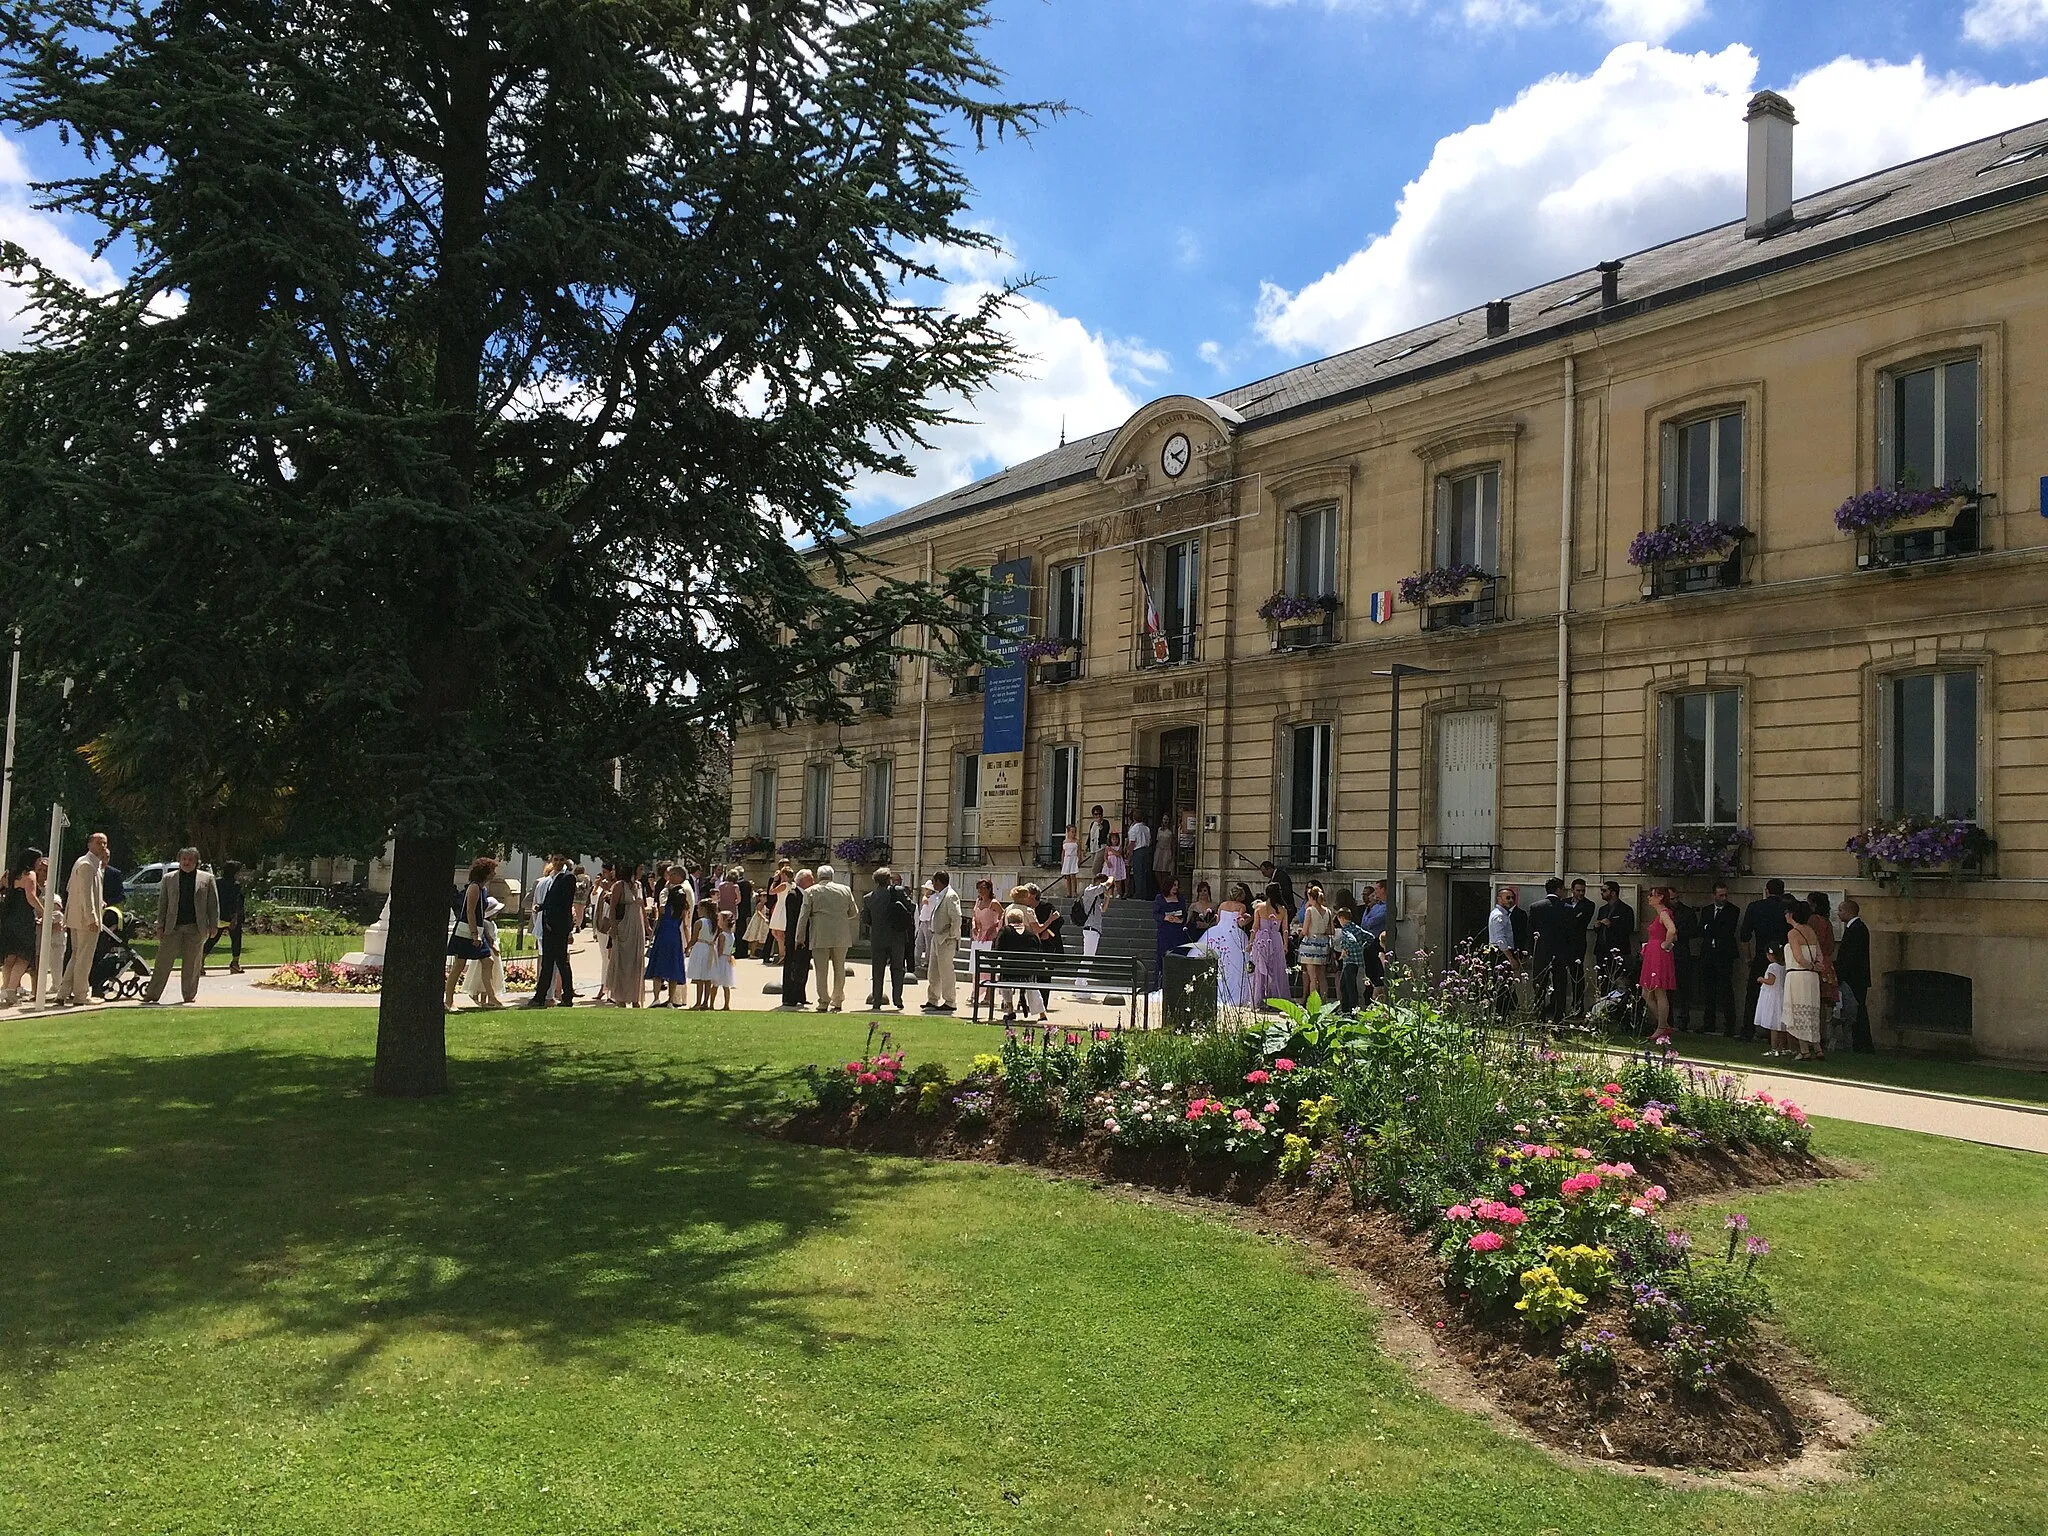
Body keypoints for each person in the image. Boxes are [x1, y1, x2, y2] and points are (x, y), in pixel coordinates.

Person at [145, 846, 222, 1007]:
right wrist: (160, 926)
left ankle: (189, 994)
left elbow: (213, 904)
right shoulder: (169, 878)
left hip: (196, 927)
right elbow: (163, 904)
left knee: (192, 963)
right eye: (184, 859)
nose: (186, 862)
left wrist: (214, 924)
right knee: (163, 962)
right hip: (173, 927)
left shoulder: (207, 879)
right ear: (179, 861)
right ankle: (152, 994)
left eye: (190, 860)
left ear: (196, 862)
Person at [795, 862, 858, 1012]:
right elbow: (854, 912)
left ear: (818, 876)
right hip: (841, 934)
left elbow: (803, 916)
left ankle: (823, 1000)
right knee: (839, 968)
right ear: (832, 876)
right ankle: (837, 999)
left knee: (821, 970)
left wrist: (800, 937)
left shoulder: (810, 891)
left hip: (820, 934)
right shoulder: (845, 890)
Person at [56, 831, 109, 1006]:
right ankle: (81, 994)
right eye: (99, 843)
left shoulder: (88, 863)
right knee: (84, 957)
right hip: (85, 919)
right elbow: (85, 895)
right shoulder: (86, 864)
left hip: (78, 917)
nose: (103, 846)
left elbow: (76, 889)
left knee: (77, 955)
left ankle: (63, 993)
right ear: (89, 844)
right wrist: (91, 917)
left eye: (105, 843)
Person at [444, 856, 502, 1011]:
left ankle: (491, 998)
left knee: (488, 961)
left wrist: (489, 940)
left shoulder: (483, 889)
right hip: (467, 931)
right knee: (459, 965)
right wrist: (474, 934)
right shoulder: (474, 887)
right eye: (492, 871)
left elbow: (480, 915)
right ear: (485, 872)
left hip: (478, 930)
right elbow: (469, 911)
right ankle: (449, 1001)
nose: (494, 874)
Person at [1739, 879, 1791, 1042]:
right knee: (1782, 995)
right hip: (1783, 956)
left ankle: (1748, 1030)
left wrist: (1748, 957)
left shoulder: (1755, 907)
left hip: (1762, 954)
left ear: (1767, 891)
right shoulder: (1786, 909)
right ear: (1782, 892)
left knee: (1753, 993)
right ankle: (1777, 1033)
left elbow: (1745, 935)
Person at [524, 854, 579, 1008]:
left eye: (562, 860)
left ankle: (566, 996)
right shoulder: (551, 878)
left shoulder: (567, 878)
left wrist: (547, 912)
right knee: (548, 962)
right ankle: (541, 996)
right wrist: (541, 907)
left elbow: (563, 903)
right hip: (548, 923)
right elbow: (549, 901)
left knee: (561, 962)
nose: (558, 863)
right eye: (555, 860)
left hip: (559, 925)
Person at [862, 867, 914, 1010]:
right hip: (897, 936)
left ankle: (876, 1000)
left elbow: (865, 919)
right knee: (897, 969)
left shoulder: (868, 898)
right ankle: (897, 999)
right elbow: (911, 908)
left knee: (877, 970)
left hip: (877, 938)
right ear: (888, 879)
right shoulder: (898, 892)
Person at [1198, 882, 1255, 1009]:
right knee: (1235, 965)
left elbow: (1218, 921)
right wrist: (1251, 919)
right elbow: (1240, 923)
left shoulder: (1223, 904)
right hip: (1233, 934)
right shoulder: (1242, 906)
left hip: (1218, 932)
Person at [1781, 899, 1825, 1061]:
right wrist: (1817, 966)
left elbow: (1798, 957)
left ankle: (1805, 1050)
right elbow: (1819, 953)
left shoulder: (1793, 933)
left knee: (1798, 1010)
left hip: (1798, 975)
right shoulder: (1811, 931)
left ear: (1792, 914)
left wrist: (1811, 966)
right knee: (1811, 1010)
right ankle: (1818, 1048)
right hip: (1811, 977)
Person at [0, 846, 43, 1005]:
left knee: (10, 956)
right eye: (38, 860)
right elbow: (31, 897)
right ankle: (11, 990)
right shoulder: (29, 874)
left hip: (8, 917)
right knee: (24, 956)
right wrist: (44, 911)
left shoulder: (9, 873)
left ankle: (5, 987)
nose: (39, 863)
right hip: (23, 918)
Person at [1639, 886, 1679, 1053]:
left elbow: (1672, 931)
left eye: (1652, 895)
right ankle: (1663, 1024)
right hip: (1654, 953)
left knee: (1658, 991)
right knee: (1647, 992)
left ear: (1660, 897)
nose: (1649, 897)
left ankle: (1662, 1025)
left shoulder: (1663, 913)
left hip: (1659, 954)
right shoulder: (1662, 914)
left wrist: (1664, 945)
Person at [1528, 877, 1573, 1026]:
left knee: (1539, 986)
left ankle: (1539, 1020)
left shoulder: (1536, 907)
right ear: (1559, 890)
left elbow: (1531, 930)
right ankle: (1558, 1019)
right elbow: (1570, 933)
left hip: (1542, 951)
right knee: (1560, 987)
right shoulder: (1567, 908)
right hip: (1561, 952)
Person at [1699, 883, 1742, 1035]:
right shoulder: (1707, 910)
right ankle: (1708, 1023)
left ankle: (1730, 1025)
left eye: (1725, 895)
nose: (1723, 898)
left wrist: (1709, 927)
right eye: (1720, 895)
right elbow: (1701, 929)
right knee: (1708, 990)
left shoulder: (1733, 910)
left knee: (1726, 990)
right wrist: (1710, 928)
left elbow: (1726, 931)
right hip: (1708, 953)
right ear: (1714, 895)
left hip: (1724, 955)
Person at [603, 862, 647, 1008]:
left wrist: (647, 926)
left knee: (636, 961)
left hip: (637, 926)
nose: (643, 871)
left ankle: (635, 997)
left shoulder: (639, 885)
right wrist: (614, 927)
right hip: (624, 925)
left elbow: (643, 906)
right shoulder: (619, 886)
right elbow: (613, 907)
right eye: (640, 868)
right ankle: (620, 997)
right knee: (622, 961)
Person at [993, 901, 1043, 1023]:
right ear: (1022, 919)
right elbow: (1038, 952)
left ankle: (1010, 1009)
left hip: (1008, 973)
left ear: (1008, 920)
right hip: (1027, 975)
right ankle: (1041, 1013)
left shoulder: (1004, 931)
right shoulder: (1031, 934)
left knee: (1003, 980)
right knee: (1032, 984)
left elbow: (997, 950)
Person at [1835, 899, 1873, 1053]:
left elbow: (1851, 957)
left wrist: (1840, 975)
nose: (1838, 913)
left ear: (1849, 911)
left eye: (1841, 910)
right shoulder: (1856, 928)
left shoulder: (1857, 929)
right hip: (1856, 977)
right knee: (1857, 1010)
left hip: (1855, 978)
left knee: (1857, 1010)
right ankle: (1860, 1043)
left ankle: (1862, 1043)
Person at [646, 876, 691, 1006]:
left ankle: (656, 998)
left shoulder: (665, 908)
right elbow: (685, 926)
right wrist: (688, 944)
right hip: (675, 938)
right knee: (673, 969)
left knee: (658, 968)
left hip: (663, 936)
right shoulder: (682, 909)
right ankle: (670, 1000)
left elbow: (658, 918)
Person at [923, 870, 962, 1013]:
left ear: (939, 881)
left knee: (946, 971)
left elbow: (956, 918)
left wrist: (951, 935)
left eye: (933, 881)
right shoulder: (939, 895)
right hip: (936, 937)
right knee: (933, 971)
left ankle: (950, 1001)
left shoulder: (950, 896)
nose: (932, 884)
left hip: (946, 939)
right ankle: (933, 999)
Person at [199, 860, 247, 975]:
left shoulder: (217, 882)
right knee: (236, 939)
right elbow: (236, 902)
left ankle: (200, 963)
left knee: (212, 939)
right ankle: (235, 963)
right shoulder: (236, 885)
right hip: (231, 916)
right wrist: (235, 917)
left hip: (218, 915)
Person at [1250, 881, 1290, 1009]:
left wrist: (1250, 942)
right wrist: (1285, 944)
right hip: (1276, 939)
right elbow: (1285, 929)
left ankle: (1260, 1000)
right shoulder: (1283, 910)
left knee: (1261, 970)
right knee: (1276, 970)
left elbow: (1255, 927)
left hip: (1261, 939)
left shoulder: (1259, 907)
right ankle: (1276, 1000)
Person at [778, 869, 813, 1009]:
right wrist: (797, 938)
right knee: (792, 967)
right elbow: (793, 921)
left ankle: (800, 995)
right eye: (810, 879)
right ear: (803, 880)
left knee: (803, 967)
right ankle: (789, 997)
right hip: (795, 938)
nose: (813, 882)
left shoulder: (806, 894)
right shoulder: (793, 895)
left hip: (806, 937)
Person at [1593, 881, 1635, 993]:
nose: (1602, 893)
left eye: (1604, 890)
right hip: (1602, 952)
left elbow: (1628, 929)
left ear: (1613, 893)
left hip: (1618, 953)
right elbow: (1598, 931)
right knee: (1602, 984)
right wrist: (1597, 926)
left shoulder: (1625, 910)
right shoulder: (1603, 909)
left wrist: (1612, 924)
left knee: (1619, 982)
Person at [1487, 886, 1523, 1018]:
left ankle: (1505, 1013)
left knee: (1506, 985)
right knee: (1502, 986)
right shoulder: (1498, 915)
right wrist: (1511, 958)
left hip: (1503, 953)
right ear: (1499, 899)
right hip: (1500, 954)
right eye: (1507, 898)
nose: (1511, 900)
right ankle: (1500, 1015)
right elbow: (1500, 940)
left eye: (1512, 898)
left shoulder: (1503, 914)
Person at [1296, 882, 1335, 1002]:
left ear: (1311, 897)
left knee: (1312, 977)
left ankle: (1313, 1003)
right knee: (1322, 976)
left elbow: (1305, 930)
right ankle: (1324, 1001)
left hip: (1310, 944)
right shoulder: (1328, 911)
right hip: (1323, 944)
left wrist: (1300, 931)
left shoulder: (1310, 910)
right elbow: (1332, 930)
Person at [1562, 879, 1595, 1015]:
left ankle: (1577, 1006)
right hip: (1563, 943)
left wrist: (1570, 918)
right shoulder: (1564, 902)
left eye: (1583, 890)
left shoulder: (1589, 904)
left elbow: (1581, 921)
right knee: (1560, 974)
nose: (1581, 893)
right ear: (1572, 890)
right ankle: (1558, 1004)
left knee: (1577, 975)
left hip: (1578, 943)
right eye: (1578, 890)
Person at [969, 877, 1002, 1010]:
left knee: (989, 966)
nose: (981, 891)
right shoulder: (978, 901)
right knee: (976, 966)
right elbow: (973, 915)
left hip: (990, 936)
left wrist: (994, 927)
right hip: (979, 934)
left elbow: (1002, 915)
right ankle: (976, 992)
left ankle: (989, 995)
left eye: (984, 888)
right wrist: (973, 925)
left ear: (989, 889)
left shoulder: (993, 903)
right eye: (979, 888)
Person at [1330, 900, 1368, 1012]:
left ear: (1342, 918)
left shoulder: (1346, 929)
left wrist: (1346, 950)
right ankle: (1347, 1008)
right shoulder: (1356, 927)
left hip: (1349, 960)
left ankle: (1351, 1009)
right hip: (1355, 960)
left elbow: (1351, 940)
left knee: (1349, 986)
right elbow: (1369, 937)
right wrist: (1361, 948)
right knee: (1344, 985)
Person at [683, 899, 720, 1009]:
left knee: (699, 978)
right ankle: (705, 1002)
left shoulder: (699, 922)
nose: (697, 910)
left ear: (704, 909)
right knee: (707, 978)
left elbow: (694, 939)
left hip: (700, 948)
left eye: (699, 908)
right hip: (711, 948)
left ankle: (698, 1002)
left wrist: (687, 947)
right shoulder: (716, 923)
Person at [1149, 873, 1182, 984]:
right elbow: (1155, 914)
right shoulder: (1160, 898)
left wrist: (1180, 920)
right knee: (1162, 956)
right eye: (1174, 885)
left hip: (1176, 931)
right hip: (1165, 931)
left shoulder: (1180, 899)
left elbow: (1185, 914)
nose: (1176, 888)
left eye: (1177, 885)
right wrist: (1165, 917)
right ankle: (1159, 981)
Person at [1125, 814, 1153, 900]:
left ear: (1133, 818)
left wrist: (1129, 855)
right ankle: (1144, 893)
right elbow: (1149, 840)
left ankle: (1138, 894)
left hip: (1138, 851)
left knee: (1138, 873)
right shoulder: (1146, 828)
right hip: (1146, 850)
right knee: (1144, 872)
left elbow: (1132, 843)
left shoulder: (1134, 829)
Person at [1058, 822, 1081, 898]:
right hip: (1067, 859)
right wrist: (1062, 862)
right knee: (1067, 877)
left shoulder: (1076, 841)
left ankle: (1074, 892)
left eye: (1075, 832)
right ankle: (1068, 892)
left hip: (1073, 858)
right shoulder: (1065, 841)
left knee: (1072, 875)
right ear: (1068, 832)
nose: (1074, 834)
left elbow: (1079, 851)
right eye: (1072, 832)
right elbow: (1063, 852)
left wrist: (1079, 860)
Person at [1102, 830, 1127, 897]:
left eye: (1116, 839)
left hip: (1117, 864)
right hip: (1110, 864)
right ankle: (1110, 893)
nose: (1115, 840)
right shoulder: (1107, 848)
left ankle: (1119, 893)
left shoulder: (1119, 847)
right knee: (1110, 879)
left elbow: (1119, 854)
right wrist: (1107, 861)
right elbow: (1105, 856)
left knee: (1117, 879)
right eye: (1113, 839)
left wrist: (1112, 850)